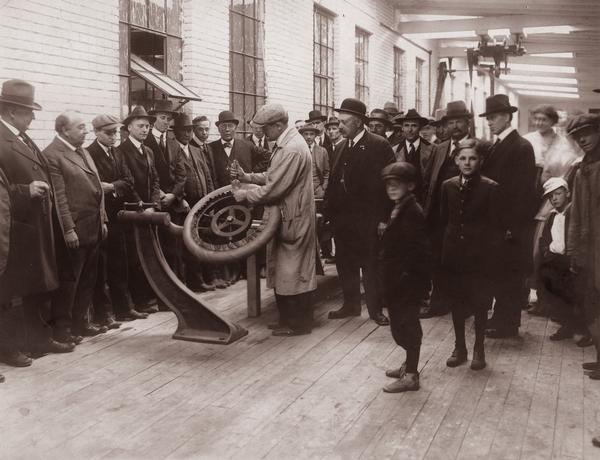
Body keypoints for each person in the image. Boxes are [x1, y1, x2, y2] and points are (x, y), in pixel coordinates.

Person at [0, 79, 75, 357]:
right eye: (29, 111)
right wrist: (25, 190)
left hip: (36, 226)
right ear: (11, 112)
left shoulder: (21, 136)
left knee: (37, 289)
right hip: (15, 229)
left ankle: (38, 341)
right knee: (12, 293)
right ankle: (10, 349)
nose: (33, 116)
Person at [231, 104, 317, 336]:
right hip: (288, 217)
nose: (262, 133)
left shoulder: (291, 149)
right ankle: (288, 321)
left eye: (265, 128)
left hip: (293, 219)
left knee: (294, 272)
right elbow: (274, 174)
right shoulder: (286, 144)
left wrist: (244, 194)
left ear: (278, 125)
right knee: (285, 271)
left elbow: (274, 189)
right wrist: (248, 176)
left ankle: (298, 325)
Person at [324, 97, 395, 325]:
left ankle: (375, 310)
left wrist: (385, 218)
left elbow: (390, 185)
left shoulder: (378, 145)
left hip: (369, 220)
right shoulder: (340, 147)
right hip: (343, 221)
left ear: (357, 122)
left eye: (343, 122)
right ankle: (351, 305)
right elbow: (334, 184)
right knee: (345, 263)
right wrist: (329, 216)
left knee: (371, 265)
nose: (339, 126)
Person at [44, 111, 108, 341]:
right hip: (75, 232)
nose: (86, 131)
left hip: (93, 228)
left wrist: (103, 219)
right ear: (64, 130)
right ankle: (62, 330)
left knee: (88, 280)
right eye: (80, 127)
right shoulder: (52, 155)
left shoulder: (81, 151)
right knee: (69, 283)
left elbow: (96, 186)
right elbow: (59, 198)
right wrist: (69, 229)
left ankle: (81, 323)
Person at [480, 94, 538, 339]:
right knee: (500, 272)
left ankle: (508, 323)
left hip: (511, 226)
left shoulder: (520, 147)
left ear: (506, 117)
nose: (489, 123)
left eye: (493, 118)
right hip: (498, 224)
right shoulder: (500, 145)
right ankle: (501, 318)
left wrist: (512, 226)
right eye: (488, 118)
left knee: (510, 275)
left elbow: (523, 191)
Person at [441, 139, 500, 371]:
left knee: (479, 303)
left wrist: (490, 256)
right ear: (456, 160)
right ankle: (460, 348)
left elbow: (496, 227)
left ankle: (479, 349)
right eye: (463, 158)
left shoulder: (490, 187)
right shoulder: (448, 186)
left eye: (472, 158)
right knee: (456, 301)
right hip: (454, 254)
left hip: (480, 256)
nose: (467, 163)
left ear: (480, 161)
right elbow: (443, 220)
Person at [524, 104, 582, 316]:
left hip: (571, 205)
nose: (575, 135)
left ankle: (559, 304)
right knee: (543, 252)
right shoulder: (561, 149)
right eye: (572, 130)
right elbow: (545, 177)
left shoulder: (570, 149)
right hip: (552, 202)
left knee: (563, 254)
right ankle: (542, 299)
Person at [380, 162, 431, 393]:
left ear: (410, 186)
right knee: (401, 324)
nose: (391, 189)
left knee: (406, 325)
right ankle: (409, 365)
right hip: (399, 278)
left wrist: (406, 280)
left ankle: (411, 375)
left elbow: (416, 251)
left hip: (407, 280)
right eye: (388, 185)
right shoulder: (401, 206)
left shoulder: (412, 212)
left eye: (396, 184)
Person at [421, 100, 473, 319]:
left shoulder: (477, 148)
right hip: (438, 215)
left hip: (464, 215)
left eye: (460, 121)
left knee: (463, 261)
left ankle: (465, 304)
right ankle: (438, 303)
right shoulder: (440, 148)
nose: (455, 126)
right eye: (451, 122)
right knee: (437, 259)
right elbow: (428, 181)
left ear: (467, 123)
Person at [87, 114, 138, 324]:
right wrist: (114, 186)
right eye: (109, 133)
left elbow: (129, 180)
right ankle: (105, 314)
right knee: (102, 268)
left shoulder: (118, 152)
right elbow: (93, 185)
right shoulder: (89, 154)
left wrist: (112, 186)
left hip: (119, 216)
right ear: (97, 133)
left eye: (116, 132)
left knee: (120, 264)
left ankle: (124, 308)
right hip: (101, 217)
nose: (114, 136)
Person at [565, 114, 600, 380]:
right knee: (592, 302)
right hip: (588, 248)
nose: (583, 140)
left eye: (587, 133)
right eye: (578, 137)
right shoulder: (582, 168)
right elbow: (576, 212)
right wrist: (574, 250)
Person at [117, 106, 161, 313]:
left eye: (147, 126)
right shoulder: (121, 151)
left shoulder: (149, 151)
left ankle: (149, 298)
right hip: (135, 212)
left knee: (150, 253)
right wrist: (141, 206)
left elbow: (155, 179)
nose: (145, 130)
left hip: (150, 210)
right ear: (129, 127)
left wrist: (154, 203)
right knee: (135, 256)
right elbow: (128, 182)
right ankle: (139, 301)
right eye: (140, 126)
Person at [537, 177, 587, 344]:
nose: (555, 198)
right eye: (551, 196)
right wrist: (546, 252)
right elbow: (544, 238)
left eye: (558, 194)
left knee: (575, 295)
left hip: (569, 261)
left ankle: (582, 329)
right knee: (557, 294)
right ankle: (567, 325)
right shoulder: (552, 216)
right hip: (554, 259)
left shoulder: (573, 213)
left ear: (568, 193)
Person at [171, 112, 216, 292]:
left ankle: (200, 280)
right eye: (183, 130)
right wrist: (180, 200)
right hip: (184, 206)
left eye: (190, 130)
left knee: (199, 242)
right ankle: (188, 283)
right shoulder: (172, 150)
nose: (187, 134)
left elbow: (207, 176)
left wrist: (210, 199)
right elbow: (172, 178)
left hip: (201, 204)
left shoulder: (197, 150)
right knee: (184, 246)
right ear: (176, 132)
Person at [145, 100, 186, 280]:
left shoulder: (173, 143)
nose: (166, 122)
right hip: (155, 202)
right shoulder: (144, 140)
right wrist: (160, 194)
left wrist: (173, 194)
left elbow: (182, 174)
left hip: (172, 202)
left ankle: (177, 285)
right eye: (163, 118)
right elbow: (147, 174)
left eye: (169, 119)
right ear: (153, 119)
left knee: (174, 247)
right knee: (156, 248)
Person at [394, 109, 434, 203]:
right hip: (402, 200)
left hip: (425, 200)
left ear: (420, 128)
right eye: (406, 125)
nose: (410, 130)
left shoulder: (433, 149)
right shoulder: (395, 150)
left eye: (414, 125)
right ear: (402, 128)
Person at [299, 124, 329, 199]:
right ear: (302, 136)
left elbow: (327, 172)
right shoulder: (297, 151)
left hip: (318, 189)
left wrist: (323, 187)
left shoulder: (322, 151)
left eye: (311, 134)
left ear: (315, 135)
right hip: (301, 189)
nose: (309, 137)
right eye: (306, 134)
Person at [190, 115, 217, 183]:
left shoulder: (210, 148)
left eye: (207, 129)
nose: (204, 132)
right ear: (194, 130)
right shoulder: (189, 147)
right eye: (200, 129)